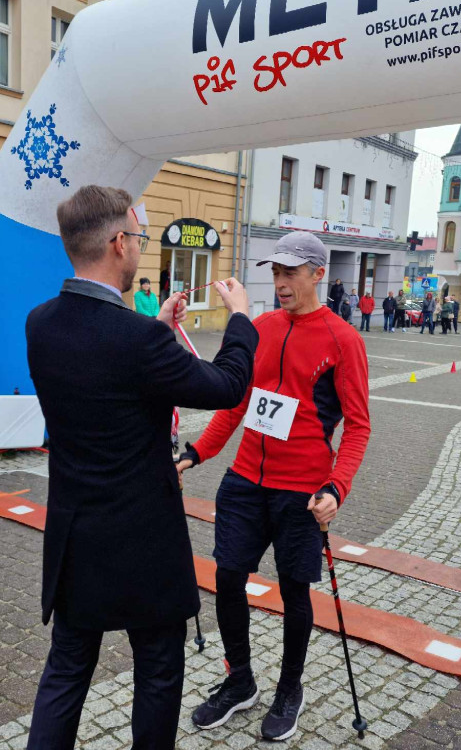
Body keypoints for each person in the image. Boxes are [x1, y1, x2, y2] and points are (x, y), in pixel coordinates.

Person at [25, 185, 257, 750]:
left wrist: (160, 327)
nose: (140, 252)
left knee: (67, 670)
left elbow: (107, 359)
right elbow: (226, 386)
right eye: (141, 240)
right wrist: (242, 321)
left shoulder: (41, 323)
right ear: (119, 242)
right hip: (144, 539)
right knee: (157, 669)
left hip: (77, 532)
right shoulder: (140, 339)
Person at [177, 231, 370, 743]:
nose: (280, 282)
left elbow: (358, 426)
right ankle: (239, 681)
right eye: (276, 272)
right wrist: (195, 453)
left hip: (302, 490)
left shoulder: (342, 339)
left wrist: (337, 486)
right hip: (244, 482)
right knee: (227, 578)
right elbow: (237, 403)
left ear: (317, 274)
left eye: (290, 272)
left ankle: (290, 689)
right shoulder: (261, 327)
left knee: (293, 592)